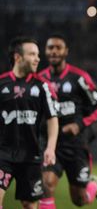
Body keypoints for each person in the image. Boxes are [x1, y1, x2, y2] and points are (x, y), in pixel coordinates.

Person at [38, 34, 97, 208]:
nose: (54, 51)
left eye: (58, 47)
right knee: (46, 184)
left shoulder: (79, 78)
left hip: (76, 145)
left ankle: (93, 186)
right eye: (50, 48)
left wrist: (80, 125)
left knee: (79, 200)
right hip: (51, 144)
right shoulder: (40, 80)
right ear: (45, 51)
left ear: (65, 51)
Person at [0, 37, 59, 209]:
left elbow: (52, 118)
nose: (38, 58)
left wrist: (50, 147)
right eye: (32, 54)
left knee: (29, 205)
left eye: (38, 54)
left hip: (31, 155)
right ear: (18, 57)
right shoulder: (2, 83)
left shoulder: (42, 86)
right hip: (3, 154)